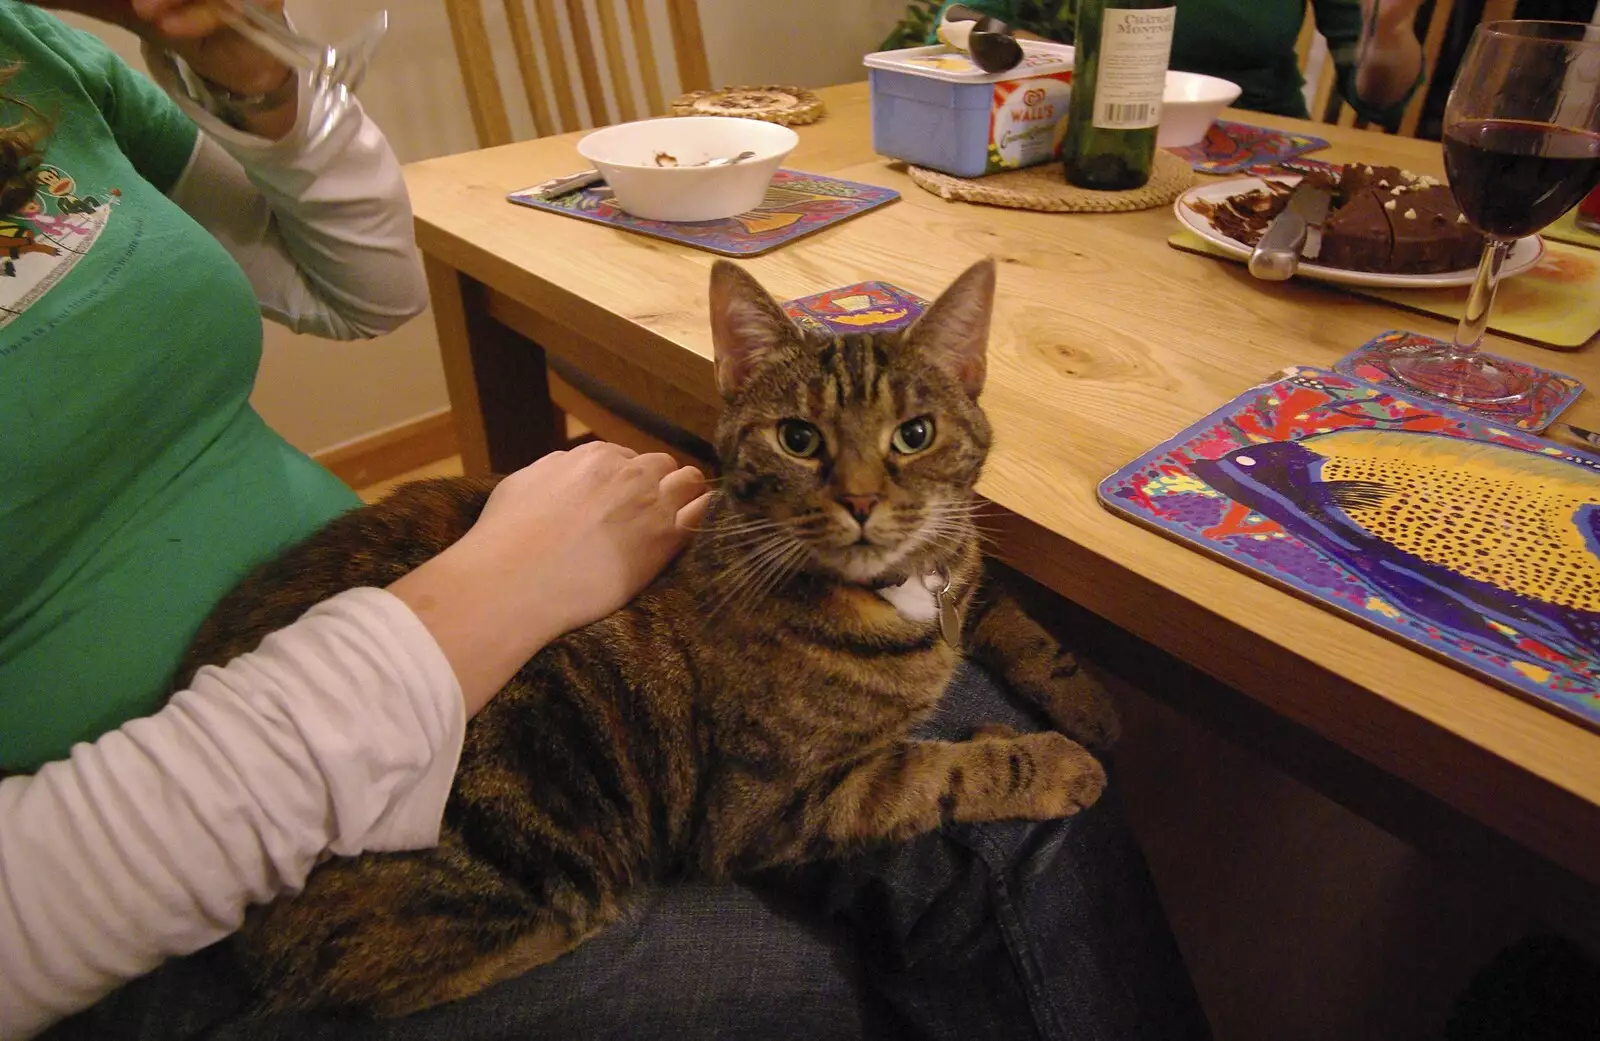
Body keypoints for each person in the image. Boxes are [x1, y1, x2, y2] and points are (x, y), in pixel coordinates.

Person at [1, 3, 1212, 1039]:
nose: (858, 494)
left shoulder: (44, 52)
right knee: (820, 991)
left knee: (1029, 845)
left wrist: (249, 58)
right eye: (805, 448)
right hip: (280, 898)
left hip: (388, 623)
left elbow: (360, 277)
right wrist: (487, 597)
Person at [904, 0, 1426, 125]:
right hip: (1078, 133)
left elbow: (1378, 99)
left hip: (1261, 154)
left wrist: (1390, 30)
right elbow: (959, 17)